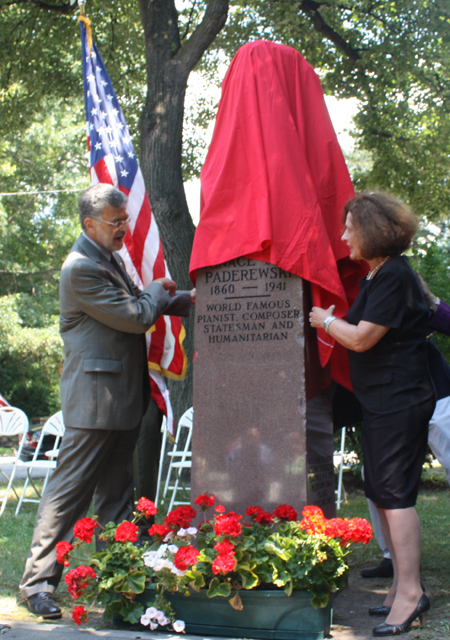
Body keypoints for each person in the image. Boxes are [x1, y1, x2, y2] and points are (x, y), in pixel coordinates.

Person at [20, 183, 194, 619]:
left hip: (121, 399)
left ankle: (118, 581)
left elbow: (138, 303)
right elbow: (135, 315)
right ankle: (37, 585)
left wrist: (195, 299)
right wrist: (158, 289)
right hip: (94, 402)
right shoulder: (80, 267)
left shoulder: (107, 257)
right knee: (67, 497)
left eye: (125, 220)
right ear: (89, 224)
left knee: (117, 497)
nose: (124, 228)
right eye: (116, 222)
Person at [310, 192, 435, 637]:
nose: (343, 236)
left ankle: (411, 594)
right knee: (385, 492)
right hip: (384, 400)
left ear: (372, 231)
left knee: (395, 496)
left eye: (349, 228)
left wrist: (325, 320)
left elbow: (362, 339)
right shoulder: (381, 276)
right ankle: (401, 586)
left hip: (399, 400)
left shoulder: (395, 275)